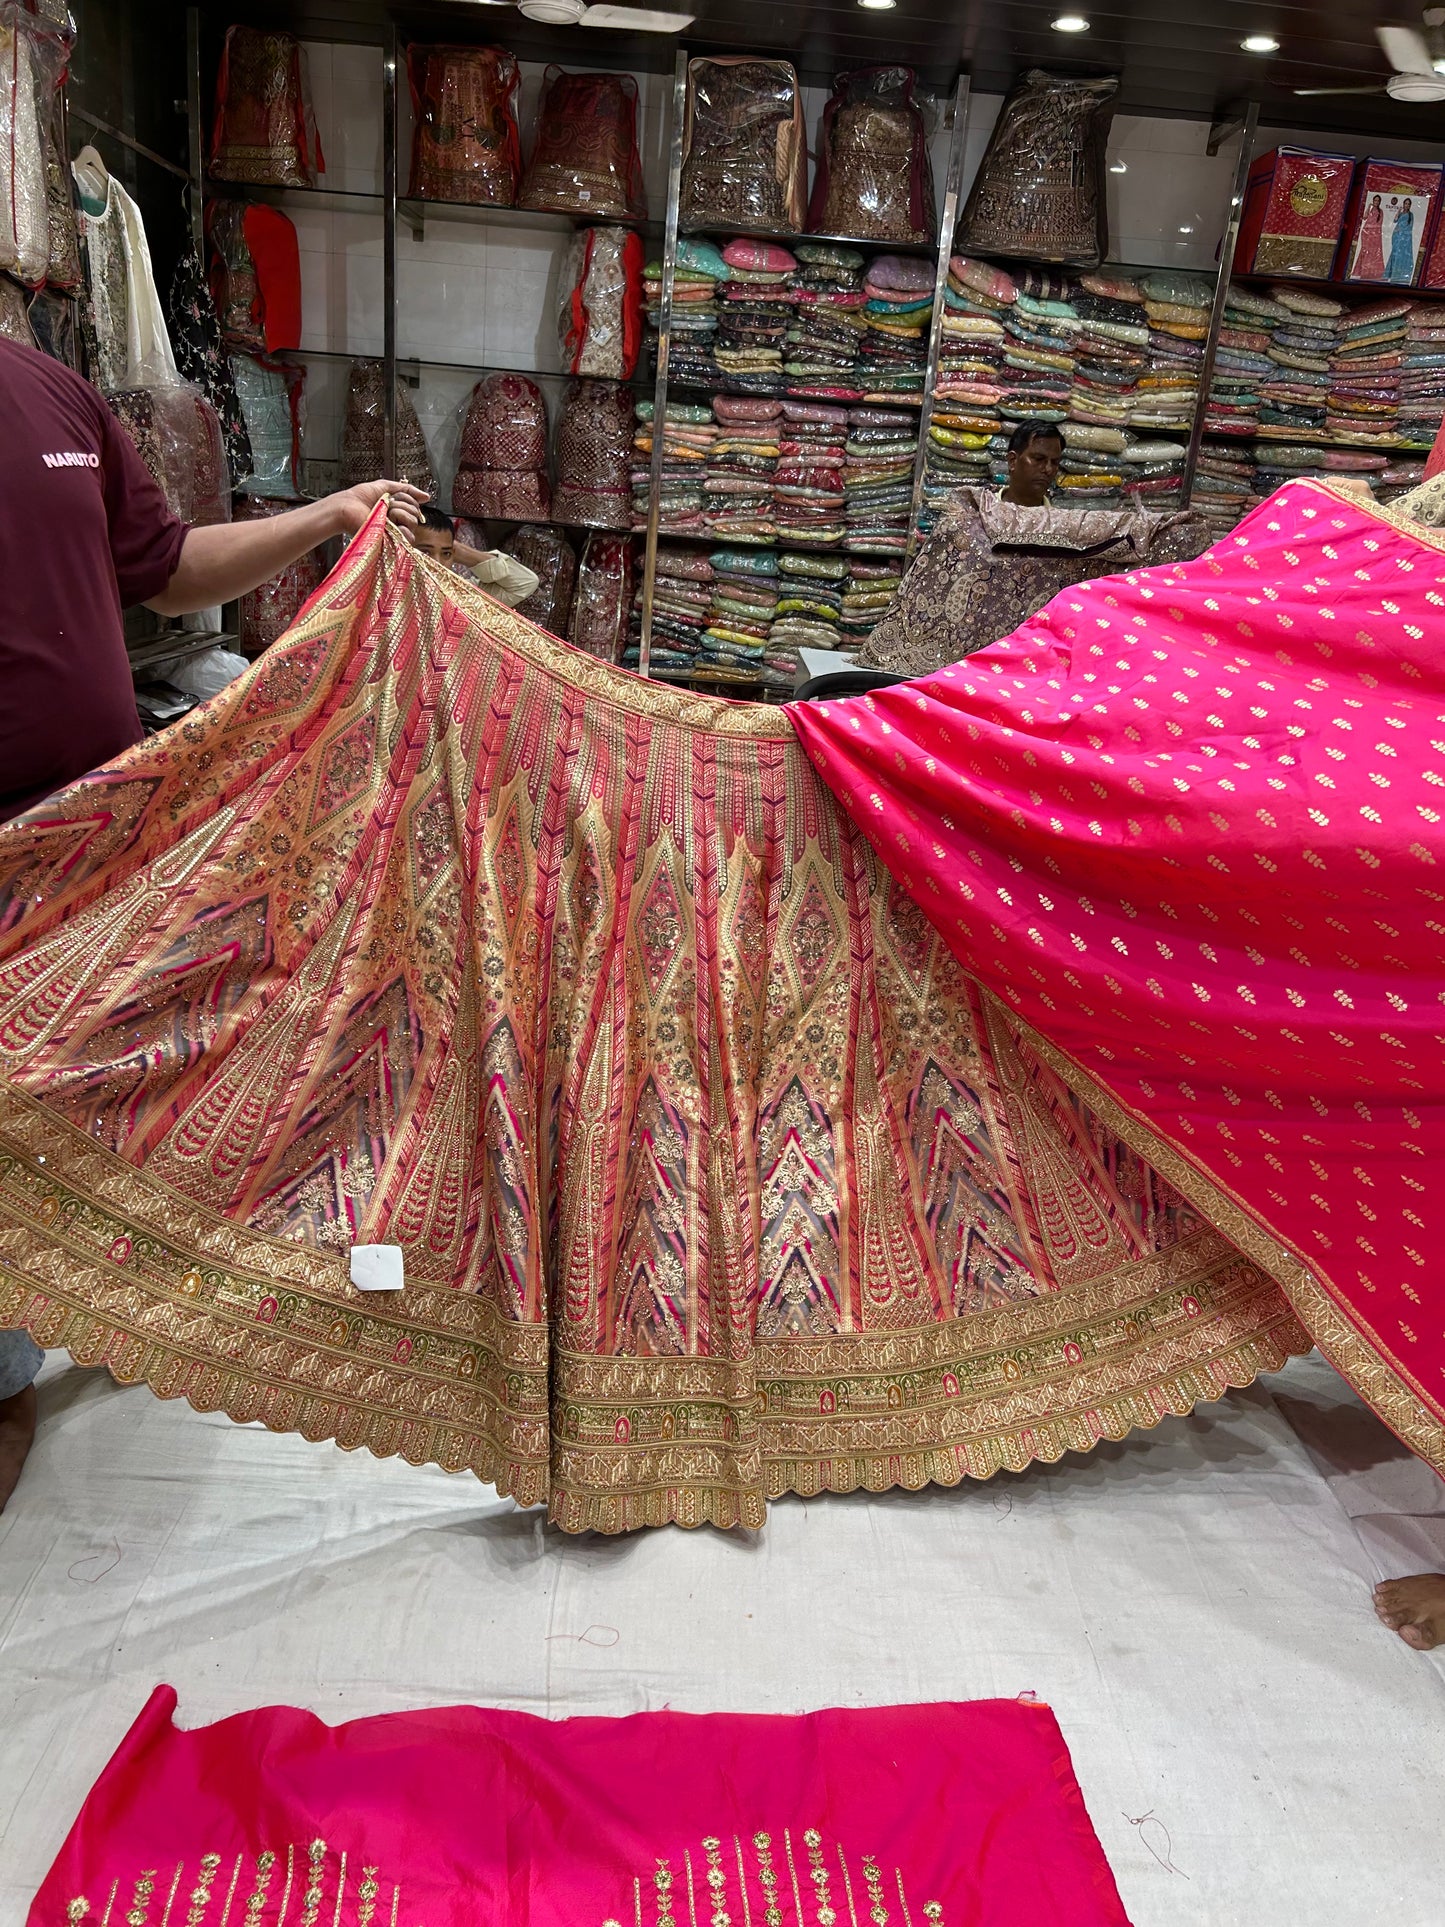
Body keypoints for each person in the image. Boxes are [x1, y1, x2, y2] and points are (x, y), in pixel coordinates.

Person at [0, 334, 428, 1509]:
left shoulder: (52, 389)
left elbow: (169, 565)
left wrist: (322, 517)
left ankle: (48, 1323)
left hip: (86, 830)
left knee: (81, 1093)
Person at [407, 506, 540, 608]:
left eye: (445, 554)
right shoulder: (390, 596)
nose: (437, 563)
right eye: (425, 552)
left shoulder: (460, 595)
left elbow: (526, 583)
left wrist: (459, 551)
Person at [999, 420, 1064, 506]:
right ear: (1012, 460)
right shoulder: (983, 512)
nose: (1048, 469)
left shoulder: (1058, 519)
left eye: (1055, 462)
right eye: (1038, 459)